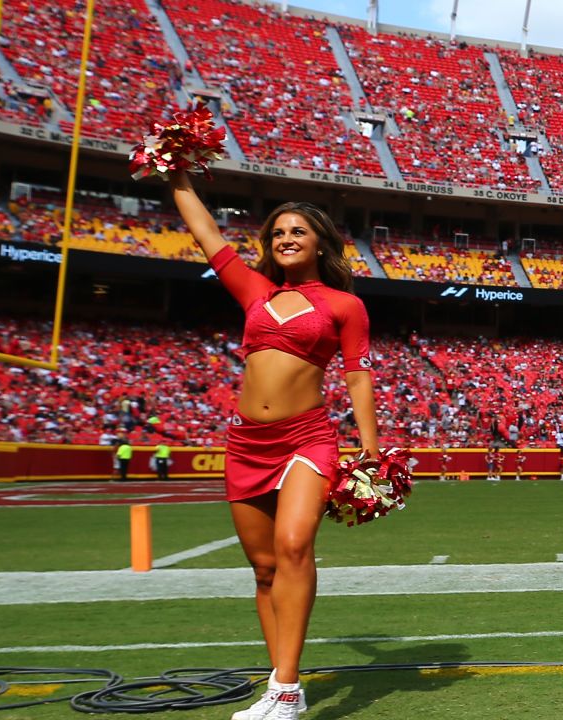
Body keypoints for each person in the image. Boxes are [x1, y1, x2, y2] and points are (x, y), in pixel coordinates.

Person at [170, 170, 379, 720]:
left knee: (293, 546)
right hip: (246, 444)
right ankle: (282, 685)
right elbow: (206, 233)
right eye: (278, 232)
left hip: (307, 438)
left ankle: (285, 690)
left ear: (320, 243)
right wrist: (178, 172)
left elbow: (358, 375)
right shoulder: (255, 292)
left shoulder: (343, 305)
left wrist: (370, 447)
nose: (286, 239)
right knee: (263, 568)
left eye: (298, 232)